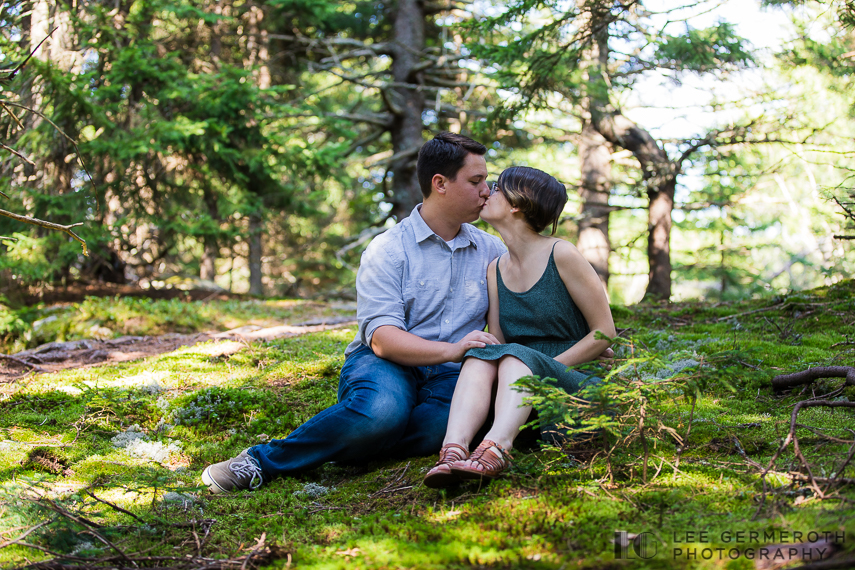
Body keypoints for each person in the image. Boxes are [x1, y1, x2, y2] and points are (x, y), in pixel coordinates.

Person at [200, 132, 506, 493]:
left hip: (453, 375)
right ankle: (261, 461)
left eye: (486, 180)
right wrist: (455, 349)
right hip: (387, 363)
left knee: (444, 426)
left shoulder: (491, 249)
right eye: (476, 181)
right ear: (440, 183)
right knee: (380, 411)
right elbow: (382, 341)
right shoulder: (388, 249)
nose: (487, 190)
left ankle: (356, 442)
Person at [423, 166, 616, 488]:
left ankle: (498, 449)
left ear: (518, 203)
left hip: (570, 380)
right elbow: (500, 339)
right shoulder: (495, 268)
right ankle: (453, 451)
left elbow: (604, 332)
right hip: (519, 385)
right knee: (481, 354)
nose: (486, 192)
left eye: (496, 188)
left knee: (516, 357)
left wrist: (543, 368)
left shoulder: (562, 253)